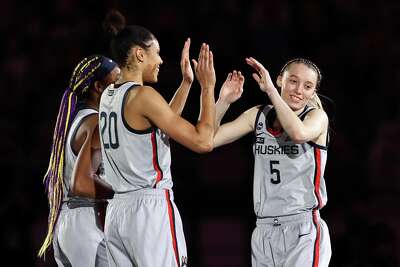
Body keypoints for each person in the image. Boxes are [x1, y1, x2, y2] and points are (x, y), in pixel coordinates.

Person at [100, 11, 216, 267]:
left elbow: (157, 126)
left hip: (118, 213)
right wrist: (207, 87)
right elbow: (203, 141)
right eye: (157, 52)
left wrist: (187, 83)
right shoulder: (144, 95)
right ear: (140, 54)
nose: (161, 60)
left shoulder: (109, 94)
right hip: (149, 211)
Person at [214, 58, 331, 266]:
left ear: (313, 93)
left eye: (307, 86)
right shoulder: (259, 115)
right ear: (280, 80)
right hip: (264, 229)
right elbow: (207, 140)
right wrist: (223, 101)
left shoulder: (317, 117)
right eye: (293, 81)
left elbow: (298, 133)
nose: (298, 90)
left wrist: (271, 91)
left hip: (302, 228)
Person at [38, 55, 120, 266]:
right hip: (86, 222)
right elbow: (83, 184)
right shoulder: (95, 121)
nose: (121, 88)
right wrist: (125, 192)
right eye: (116, 82)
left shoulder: (73, 119)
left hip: (68, 224)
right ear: (99, 87)